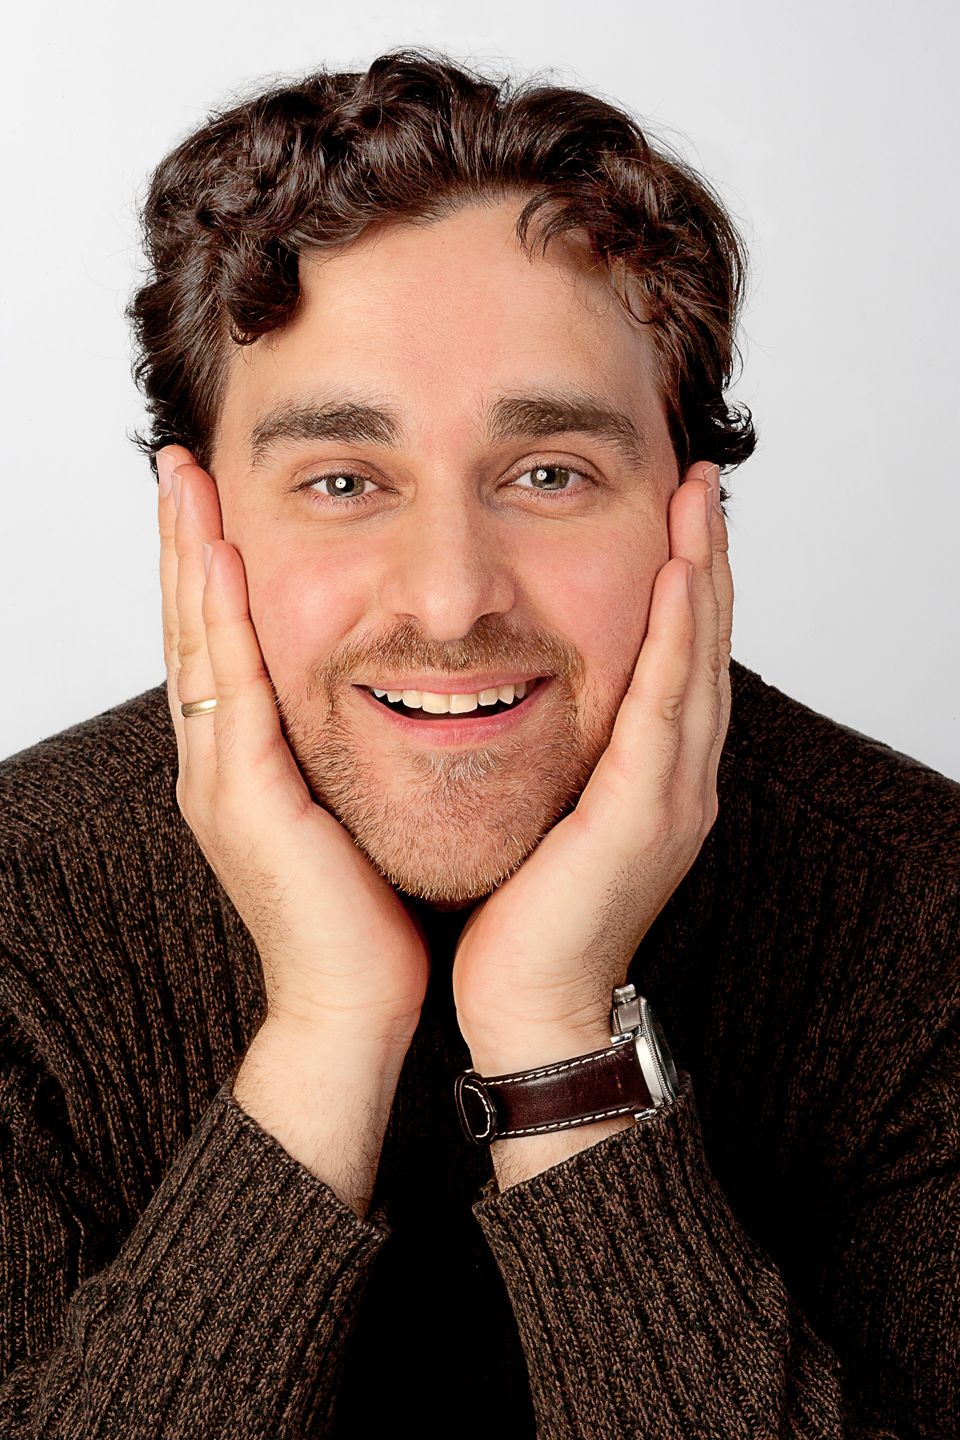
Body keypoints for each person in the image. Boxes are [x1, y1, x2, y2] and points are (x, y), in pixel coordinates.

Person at [0, 46, 957, 1440]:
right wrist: (328, 1030)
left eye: (549, 475)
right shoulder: (15, 919)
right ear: (196, 528)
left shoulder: (928, 920)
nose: (451, 597)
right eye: (343, 480)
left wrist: (558, 1036)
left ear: (691, 517)